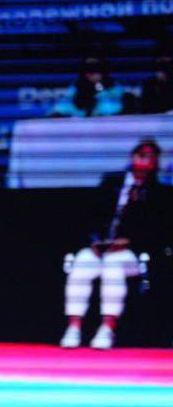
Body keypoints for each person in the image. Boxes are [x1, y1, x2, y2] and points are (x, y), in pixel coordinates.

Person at [60, 139, 170, 350]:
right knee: (81, 263)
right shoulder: (111, 182)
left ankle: (107, 328)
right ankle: (73, 328)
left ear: (156, 162)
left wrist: (128, 241)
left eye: (151, 157)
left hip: (132, 253)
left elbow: (157, 229)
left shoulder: (158, 192)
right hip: (100, 247)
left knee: (113, 266)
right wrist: (95, 241)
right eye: (141, 155)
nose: (145, 161)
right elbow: (91, 215)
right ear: (133, 157)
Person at [51, 55, 127, 118]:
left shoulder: (111, 82)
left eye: (95, 69)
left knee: (106, 106)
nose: (91, 74)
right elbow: (71, 97)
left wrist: (97, 83)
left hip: (102, 109)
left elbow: (111, 95)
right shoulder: (78, 83)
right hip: (81, 110)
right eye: (89, 69)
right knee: (61, 107)